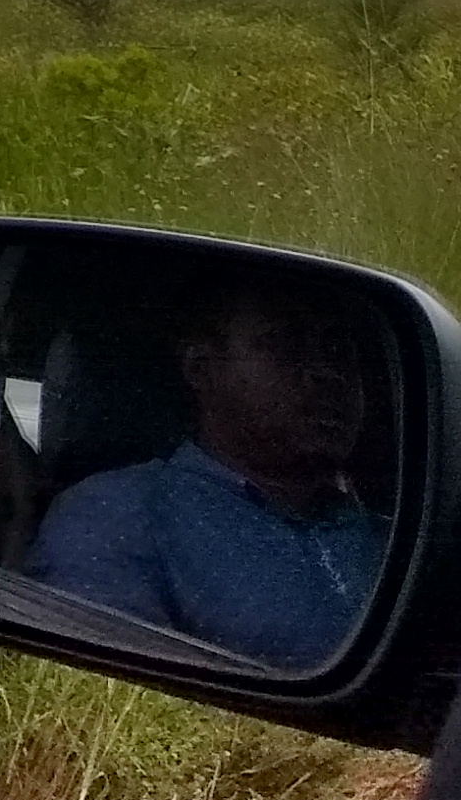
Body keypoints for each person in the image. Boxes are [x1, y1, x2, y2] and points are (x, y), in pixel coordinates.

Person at [26, 279, 386, 669]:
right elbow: (107, 692)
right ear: (201, 368)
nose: (327, 372)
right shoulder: (116, 515)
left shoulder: (398, 535)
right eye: (284, 343)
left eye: (337, 349)